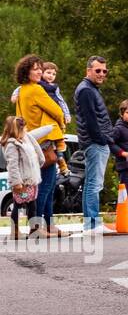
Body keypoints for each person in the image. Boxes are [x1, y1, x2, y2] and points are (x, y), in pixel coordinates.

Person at [15, 54, 66, 236]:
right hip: (43, 142)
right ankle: (38, 226)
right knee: (47, 186)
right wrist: (60, 121)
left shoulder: (21, 90)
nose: (39, 72)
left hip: (29, 140)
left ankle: (48, 226)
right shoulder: (36, 89)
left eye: (40, 69)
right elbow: (57, 111)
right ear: (27, 72)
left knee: (42, 185)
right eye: (35, 69)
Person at [75, 56, 114, 232]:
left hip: (95, 142)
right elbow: (90, 119)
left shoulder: (90, 89)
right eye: (97, 70)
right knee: (93, 184)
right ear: (88, 71)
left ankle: (91, 223)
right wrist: (101, 139)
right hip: (94, 143)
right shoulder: (86, 90)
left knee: (92, 183)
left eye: (104, 71)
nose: (101, 74)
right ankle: (92, 224)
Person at [2, 116, 53, 238]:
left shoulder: (24, 140)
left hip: (31, 182)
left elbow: (36, 137)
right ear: (17, 129)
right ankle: (15, 232)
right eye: (24, 128)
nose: (26, 130)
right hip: (22, 184)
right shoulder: (11, 145)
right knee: (18, 205)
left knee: (32, 205)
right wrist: (17, 183)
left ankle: (34, 229)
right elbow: (12, 166)